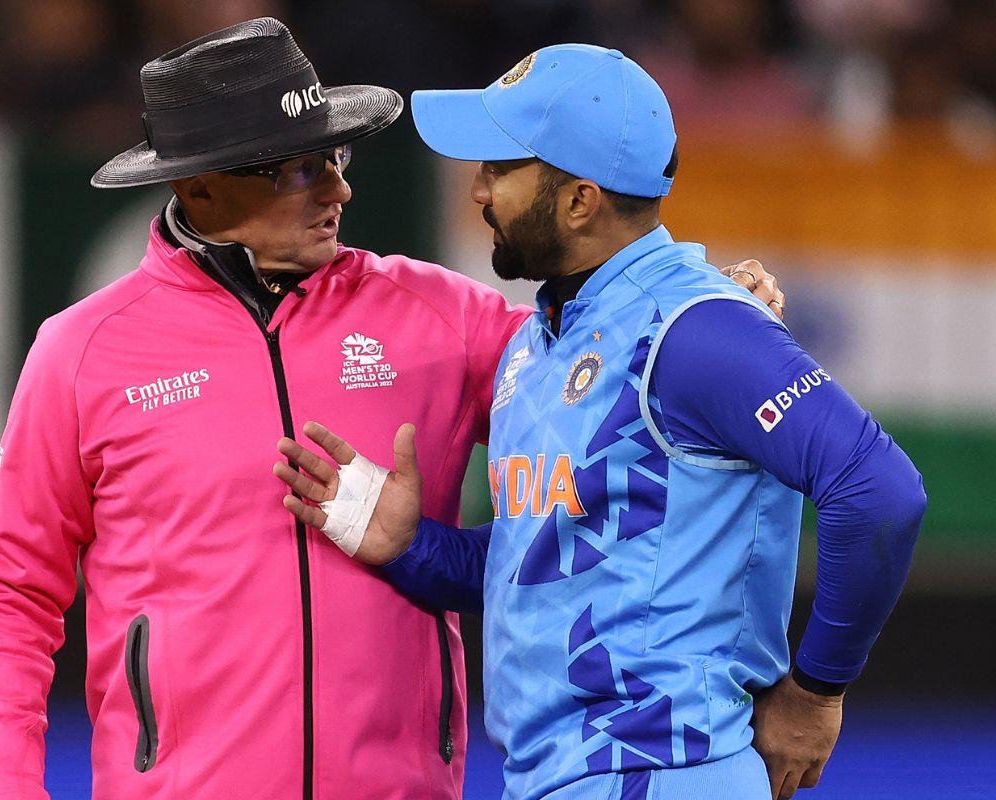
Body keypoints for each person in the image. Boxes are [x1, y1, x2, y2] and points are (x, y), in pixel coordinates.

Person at [0, 20, 784, 800]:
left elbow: (622, 396)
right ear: (201, 187)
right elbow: (4, 592)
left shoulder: (445, 320)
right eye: (302, 168)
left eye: (337, 155)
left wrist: (698, 317)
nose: (340, 189)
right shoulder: (84, 352)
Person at [273, 45, 926, 800]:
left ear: (580, 200)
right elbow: (563, 559)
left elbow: (880, 492)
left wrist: (817, 694)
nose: (479, 190)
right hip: (570, 778)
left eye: (500, 169)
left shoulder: (698, 328)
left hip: (663, 771)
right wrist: (410, 546)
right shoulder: (541, 337)